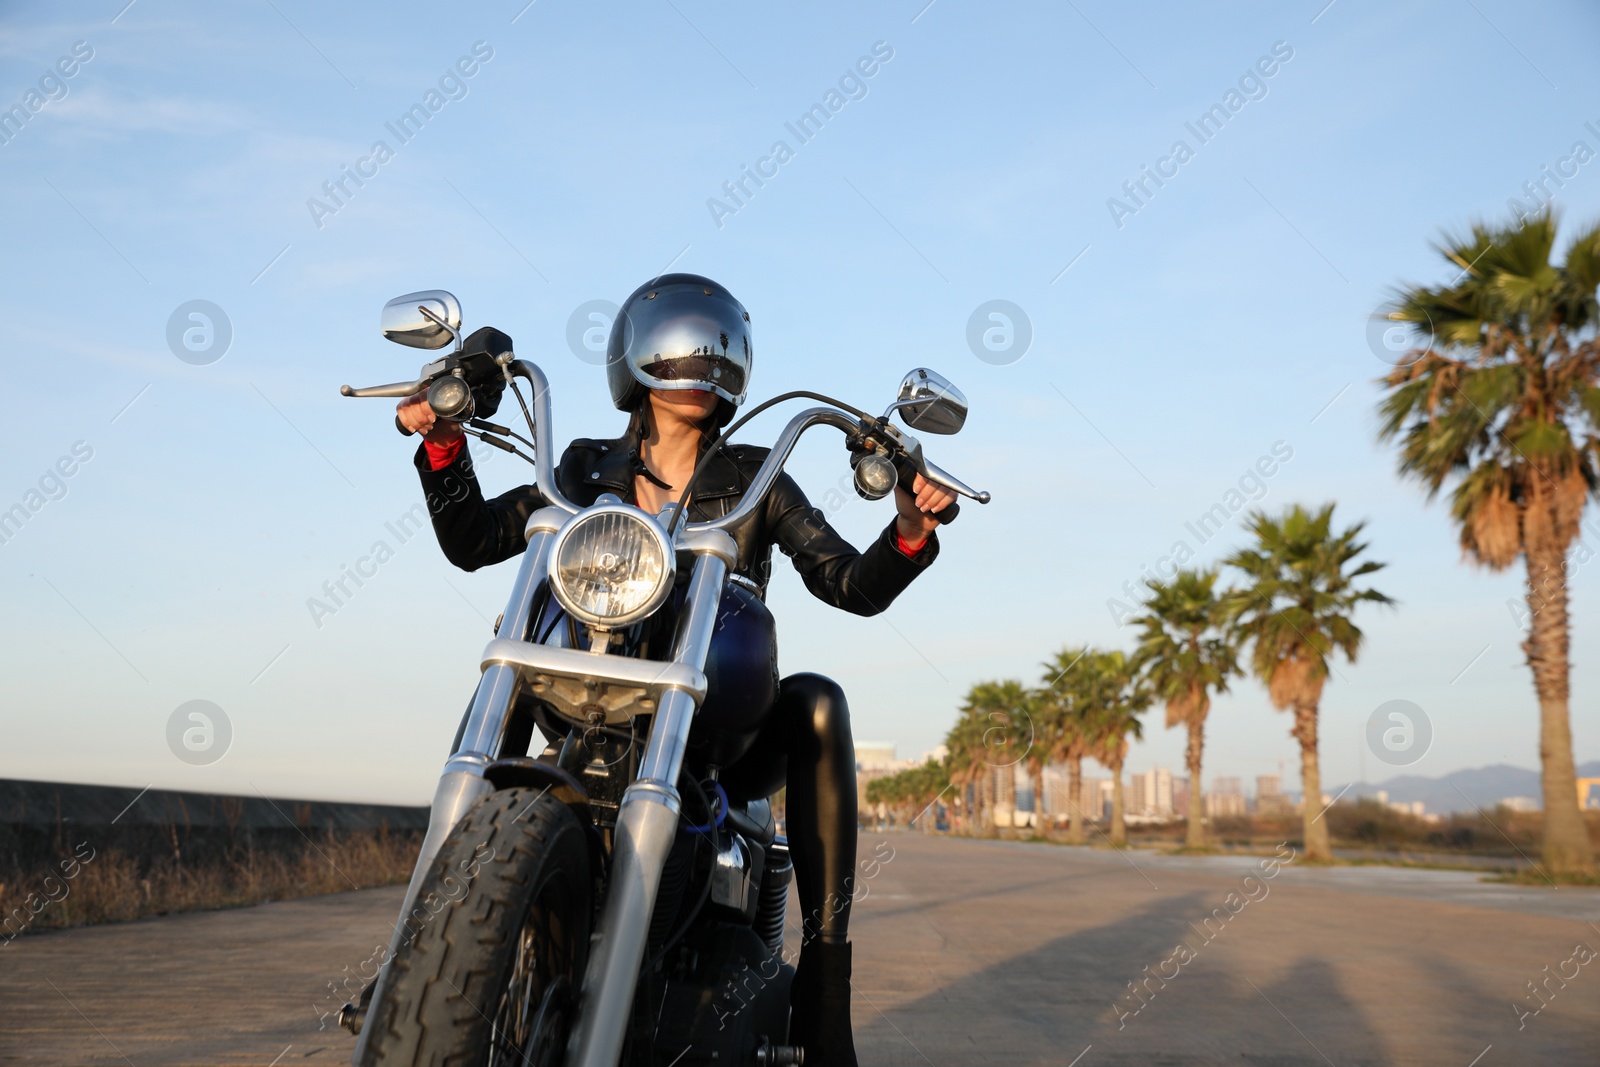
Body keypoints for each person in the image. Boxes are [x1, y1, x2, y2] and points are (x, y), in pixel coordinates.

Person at [396, 273, 953, 1065]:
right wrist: (444, 442)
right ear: (639, 358)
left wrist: (907, 527)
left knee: (820, 704)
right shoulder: (584, 468)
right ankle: (427, 951)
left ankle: (826, 996)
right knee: (510, 651)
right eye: (680, 347)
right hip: (590, 699)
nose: (697, 365)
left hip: (718, 732)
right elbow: (475, 538)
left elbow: (847, 584)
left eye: (713, 351)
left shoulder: (760, 478)